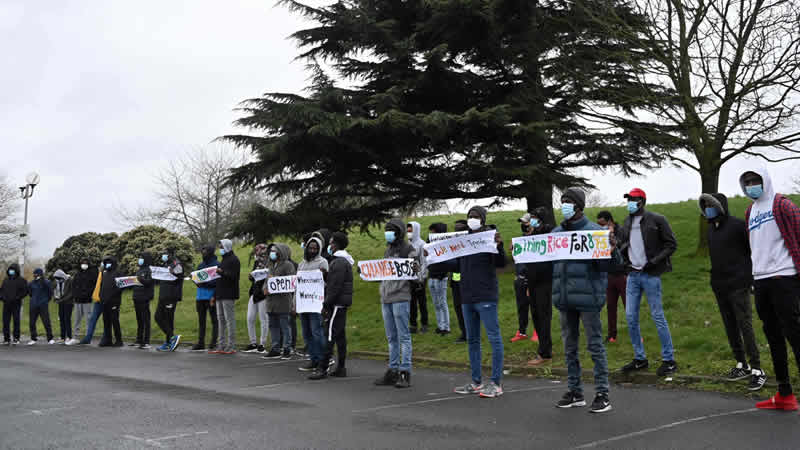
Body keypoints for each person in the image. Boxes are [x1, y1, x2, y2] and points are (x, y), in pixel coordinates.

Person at [551, 189, 620, 413]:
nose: (565, 206)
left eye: (569, 202)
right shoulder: (556, 233)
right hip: (564, 298)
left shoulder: (594, 232)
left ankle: (602, 394)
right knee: (569, 346)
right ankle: (575, 391)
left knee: (595, 345)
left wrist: (612, 248)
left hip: (588, 298)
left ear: (579, 206)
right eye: (563, 202)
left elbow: (610, 267)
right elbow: (546, 263)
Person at [739, 168, 800, 411]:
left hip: (784, 278)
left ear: (765, 181)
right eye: (747, 182)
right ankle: (785, 395)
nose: (752, 185)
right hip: (761, 281)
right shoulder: (749, 211)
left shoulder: (783, 205)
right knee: (773, 337)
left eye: (755, 181)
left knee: (795, 335)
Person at [430, 206, 507, 398]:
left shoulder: (488, 238)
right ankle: (476, 382)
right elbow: (457, 264)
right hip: (467, 297)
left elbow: (501, 263)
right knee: (472, 340)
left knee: (493, 338)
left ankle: (496, 383)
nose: (472, 219)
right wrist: (434, 257)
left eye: (476, 217)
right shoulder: (464, 241)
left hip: (486, 295)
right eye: (469, 216)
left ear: (482, 219)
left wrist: (499, 246)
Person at [699, 193, 766, 391]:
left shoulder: (737, 226)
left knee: (745, 324)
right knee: (729, 325)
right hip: (720, 285)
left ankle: (757, 369)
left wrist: (751, 279)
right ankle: (741, 363)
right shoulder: (711, 230)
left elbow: (752, 251)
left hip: (739, 284)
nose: (708, 208)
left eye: (711, 204)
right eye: (705, 205)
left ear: (720, 206)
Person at [619, 188, 679, 377]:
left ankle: (669, 359)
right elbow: (622, 244)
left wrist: (654, 262)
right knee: (630, 317)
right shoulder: (626, 222)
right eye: (628, 199)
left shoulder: (657, 219)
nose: (629, 202)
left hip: (651, 274)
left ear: (642, 201)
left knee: (657, 316)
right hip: (633, 275)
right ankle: (640, 358)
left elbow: (671, 244)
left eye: (633, 199)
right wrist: (622, 254)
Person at [373, 218, 417, 388]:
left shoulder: (408, 249)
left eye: (391, 230)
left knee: (403, 336)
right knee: (391, 337)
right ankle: (392, 369)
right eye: (387, 230)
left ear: (399, 232)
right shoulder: (388, 250)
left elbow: (417, 270)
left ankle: (405, 371)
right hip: (386, 297)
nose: (388, 233)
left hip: (400, 296)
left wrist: (415, 268)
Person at [310, 232, 354, 380]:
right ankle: (341, 367)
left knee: (329, 335)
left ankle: (322, 368)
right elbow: (336, 281)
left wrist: (326, 304)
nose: (329, 245)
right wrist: (326, 276)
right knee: (340, 336)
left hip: (336, 304)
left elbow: (335, 286)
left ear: (336, 244)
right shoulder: (342, 261)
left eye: (331, 243)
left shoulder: (339, 262)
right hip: (341, 303)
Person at [525, 207, 555, 366]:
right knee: (536, 315)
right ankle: (545, 346)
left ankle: (545, 352)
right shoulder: (533, 234)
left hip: (545, 281)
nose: (532, 220)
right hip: (533, 280)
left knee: (543, 316)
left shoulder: (549, 232)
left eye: (535, 218)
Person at [297, 236, 330, 372]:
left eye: (315, 248)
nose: (312, 250)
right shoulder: (301, 264)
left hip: (316, 304)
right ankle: (314, 359)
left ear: (319, 249)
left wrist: (324, 275)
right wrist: (295, 304)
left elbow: (326, 284)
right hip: (303, 303)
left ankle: (323, 360)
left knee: (317, 332)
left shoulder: (323, 262)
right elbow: (297, 286)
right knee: (307, 333)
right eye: (310, 248)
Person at [597, 211, 628, 343]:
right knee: (610, 306)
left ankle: (636, 333)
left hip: (623, 274)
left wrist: (613, 238)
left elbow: (624, 247)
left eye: (603, 224)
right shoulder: (600, 233)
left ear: (610, 221)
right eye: (599, 225)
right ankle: (611, 335)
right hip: (609, 274)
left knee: (629, 305)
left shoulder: (622, 231)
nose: (601, 227)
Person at [263, 243, 297, 359]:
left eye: (274, 251)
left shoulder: (288, 265)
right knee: (273, 326)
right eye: (271, 251)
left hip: (283, 301)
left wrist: (275, 282)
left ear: (280, 252)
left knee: (285, 325)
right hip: (271, 302)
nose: (272, 253)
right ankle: (275, 347)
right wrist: (265, 289)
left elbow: (291, 282)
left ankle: (287, 347)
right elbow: (266, 281)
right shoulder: (271, 265)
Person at [213, 238, 241, 355]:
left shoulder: (234, 260)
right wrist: (215, 295)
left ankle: (231, 346)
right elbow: (219, 279)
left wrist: (222, 272)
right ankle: (221, 345)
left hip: (229, 293)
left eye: (221, 247)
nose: (220, 249)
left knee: (229, 320)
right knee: (221, 320)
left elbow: (234, 276)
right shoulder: (223, 260)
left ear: (227, 247)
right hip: (220, 293)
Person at [511, 213, 535, 343]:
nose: (524, 226)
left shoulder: (538, 240)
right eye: (522, 223)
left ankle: (538, 332)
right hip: (519, 278)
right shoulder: (519, 241)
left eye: (526, 223)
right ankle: (522, 331)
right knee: (521, 307)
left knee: (536, 307)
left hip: (533, 279)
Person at [155, 248, 183, 352]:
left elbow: (179, 278)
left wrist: (173, 273)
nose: (163, 256)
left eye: (165, 254)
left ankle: (168, 342)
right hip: (162, 296)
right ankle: (171, 338)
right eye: (162, 254)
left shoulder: (177, 264)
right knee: (158, 317)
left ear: (171, 254)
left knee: (168, 319)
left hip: (171, 296)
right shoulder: (165, 265)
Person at [243, 244, 269, 353]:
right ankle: (253, 342)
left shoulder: (269, 262)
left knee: (264, 319)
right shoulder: (256, 262)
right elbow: (254, 277)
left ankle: (262, 343)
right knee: (250, 318)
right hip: (254, 292)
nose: (256, 252)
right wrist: (251, 277)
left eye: (258, 250)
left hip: (263, 293)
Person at [427, 222, 450, 335]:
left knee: (442, 302)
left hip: (440, 277)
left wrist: (442, 274)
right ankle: (440, 325)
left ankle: (446, 326)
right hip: (431, 276)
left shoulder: (444, 244)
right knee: (436, 303)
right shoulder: (430, 242)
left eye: (434, 231)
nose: (431, 233)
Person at [193, 245, 219, 351]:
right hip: (200, 296)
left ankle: (213, 342)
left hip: (211, 296)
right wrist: (195, 280)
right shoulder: (200, 265)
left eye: (205, 252)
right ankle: (201, 342)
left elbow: (217, 282)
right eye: (202, 252)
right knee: (201, 321)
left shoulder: (217, 265)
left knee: (214, 320)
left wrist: (205, 284)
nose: (203, 254)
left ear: (211, 252)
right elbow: (197, 279)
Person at [407, 221, 429, 334]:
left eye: (411, 230)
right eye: (407, 230)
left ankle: (424, 324)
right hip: (408, 278)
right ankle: (413, 324)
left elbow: (424, 262)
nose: (408, 232)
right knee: (411, 303)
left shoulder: (422, 244)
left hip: (420, 278)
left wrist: (422, 277)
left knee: (422, 302)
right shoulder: (406, 244)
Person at [79, 262, 107, 345]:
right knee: (93, 319)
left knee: (106, 320)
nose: (100, 268)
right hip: (98, 300)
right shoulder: (99, 274)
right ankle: (88, 338)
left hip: (105, 300)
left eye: (101, 266)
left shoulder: (107, 275)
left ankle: (105, 338)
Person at [70, 257, 97, 345]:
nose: (84, 264)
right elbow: (73, 285)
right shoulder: (78, 273)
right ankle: (75, 337)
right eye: (82, 263)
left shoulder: (92, 273)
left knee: (88, 319)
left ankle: (88, 337)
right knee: (77, 319)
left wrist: (88, 294)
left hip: (87, 300)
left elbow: (93, 286)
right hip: (78, 300)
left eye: (85, 263)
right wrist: (75, 295)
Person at [98, 256, 123, 347]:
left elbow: (120, 288)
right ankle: (108, 339)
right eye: (106, 263)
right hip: (104, 301)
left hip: (114, 301)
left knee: (115, 321)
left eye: (109, 262)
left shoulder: (118, 273)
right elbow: (102, 286)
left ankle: (119, 340)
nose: (107, 264)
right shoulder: (104, 273)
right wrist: (101, 296)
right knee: (106, 321)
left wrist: (112, 297)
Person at [450, 220, 468, 343]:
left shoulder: (470, 243)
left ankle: (470, 332)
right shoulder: (452, 244)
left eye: (460, 229)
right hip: (456, 280)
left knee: (467, 308)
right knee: (458, 308)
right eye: (456, 229)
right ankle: (464, 332)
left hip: (468, 281)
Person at [132, 252, 155, 349]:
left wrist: (140, 279)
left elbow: (149, 282)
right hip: (137, 297)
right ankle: (139, 339)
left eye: (142, 258)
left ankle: (146, 341)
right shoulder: (139, 270)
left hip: (144, 297)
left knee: (145, 320)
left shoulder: (149, 270)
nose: (140, 259)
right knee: (139, 320)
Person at [1, 263, 27, 345]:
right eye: (10, 270)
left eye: (13, 270)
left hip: (16, 304)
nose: (11, 271)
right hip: (6, 304)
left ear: (16, 270)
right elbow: (1, 290)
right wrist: (2, 298)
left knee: (16, 321)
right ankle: (6, 339)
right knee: (5, 322)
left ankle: (16, 338)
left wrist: (17, 298)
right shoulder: (6, 280)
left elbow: (24, 291)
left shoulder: (21, 280)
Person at [27, 268, 54, 345]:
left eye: (37, 274)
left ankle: (50, 338)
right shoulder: (31, 283)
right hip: (33, 305)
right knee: (32, 322)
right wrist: (33, 300)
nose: (35, 275)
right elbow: (30, 293)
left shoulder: (46, 282)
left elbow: (50, 293)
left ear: (41, 274)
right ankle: (33, 338)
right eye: (34, 274)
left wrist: (45, 301)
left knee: (46, 322)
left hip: (43, 305)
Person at [52, 269, 74, 344]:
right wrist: (56, 298)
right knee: (61, 319)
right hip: (61, 303)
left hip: (68, 303)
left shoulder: (70, 280)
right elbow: (57, 291)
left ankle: (69, 336)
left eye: (59, 278)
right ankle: (62, 337)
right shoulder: (58, 282)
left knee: (67, 319)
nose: (58, 280)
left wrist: (62, 299)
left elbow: (71, 293)